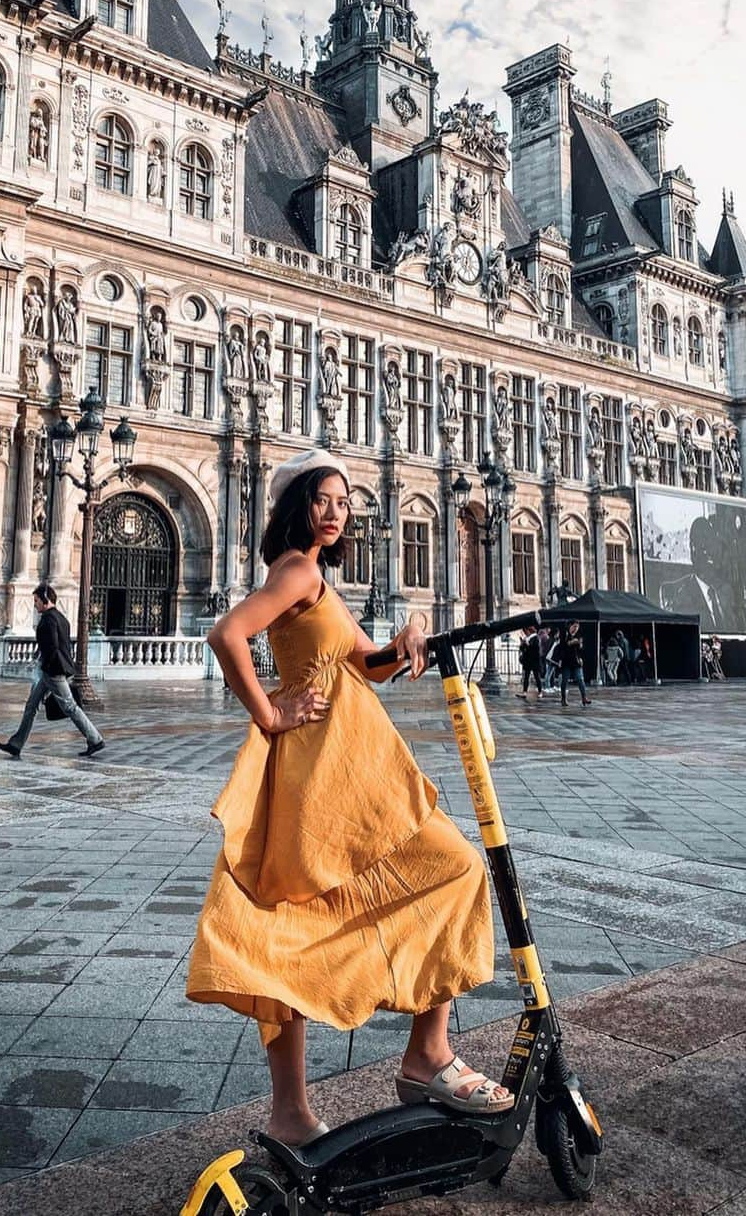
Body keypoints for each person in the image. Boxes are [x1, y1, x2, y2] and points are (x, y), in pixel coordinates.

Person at [186, 448, 513, 1147]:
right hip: (322, 767)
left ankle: (304, 1108)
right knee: (439, 871)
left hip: (349, 763)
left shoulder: (318, 582)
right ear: (296, 503)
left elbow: (363, 664)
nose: (337, 512)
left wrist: (405, 644)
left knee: (320, 916)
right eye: (322, 499)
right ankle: (413, 1061)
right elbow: (227, 633)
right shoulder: (298, 571)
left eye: (343, 501)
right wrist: (269, 714)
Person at [0, 584, 104, 759]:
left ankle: (95, 738)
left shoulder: (48, 619)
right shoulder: (62, 618)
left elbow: (52, 646)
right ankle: (16, 744)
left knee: (69, 706)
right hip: (52, 670)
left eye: (37, 601)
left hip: (52, 671)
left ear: (46, 599)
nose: (35, 604)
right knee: (31, 706)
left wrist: (46, 664)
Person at [559, 622, 592, 707]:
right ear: (570, 626)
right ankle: (563, 699)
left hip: (576, 662)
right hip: (566, 662)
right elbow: (562, 647)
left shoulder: (579, 636)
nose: (576, 628)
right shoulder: (565, 634)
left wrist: (580, 647)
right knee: (564, 681)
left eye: (577, 627)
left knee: (580, 679)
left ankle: (584, 698)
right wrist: (569, 643)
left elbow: (581, 649)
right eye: (574, 626)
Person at [517, 625, 542, 697]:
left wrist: (527, 644)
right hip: (527, 660)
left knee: (537, 676)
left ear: (529, 631)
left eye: (525, 631)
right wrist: (522, 643)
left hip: (534, 660)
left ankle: (540, 692)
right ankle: (524, 692)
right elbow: (522, 648)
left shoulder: (535, 638)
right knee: (526, 677)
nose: (525, 633)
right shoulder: (527, 638)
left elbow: (535, 649)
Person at [542, 629, 562, 694]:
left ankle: (549, 686)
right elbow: (550, 651)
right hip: (550, 659)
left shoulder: (552, 640)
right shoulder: (552, 640)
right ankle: (547, 687)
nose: (558, 635)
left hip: (550, 659)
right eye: (558, 634)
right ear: (555, 634)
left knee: (550, 673)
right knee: (548, 674)